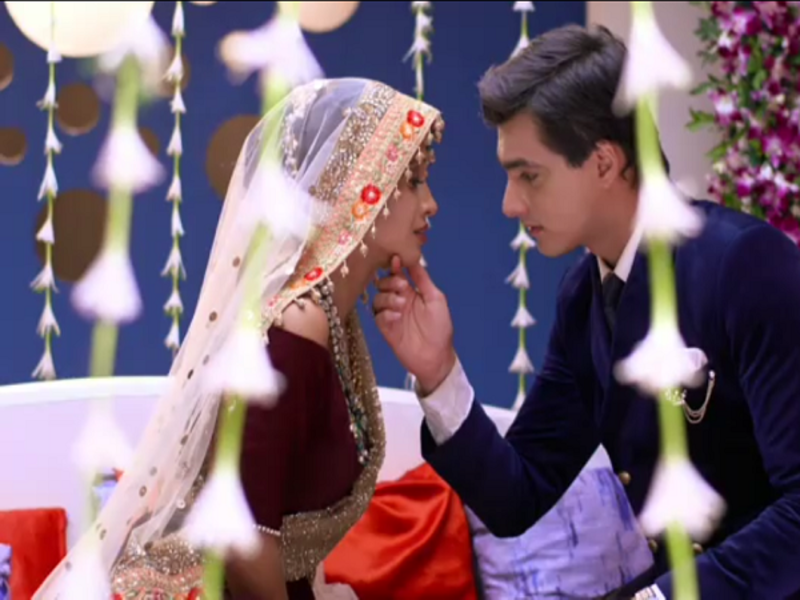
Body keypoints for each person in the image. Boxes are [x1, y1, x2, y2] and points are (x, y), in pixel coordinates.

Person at [372, 24, 800, 600]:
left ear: (603, 163)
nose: (510, 204)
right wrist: (438, 374)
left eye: (529, 175)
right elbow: (516, 494)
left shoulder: (744, 264)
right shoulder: (584, 295)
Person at [34, 77, 445, 600]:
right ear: (355, 185)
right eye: (413, 181)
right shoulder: (291, 332)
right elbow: (243, 541)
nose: (430, 204)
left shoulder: (329, 322)